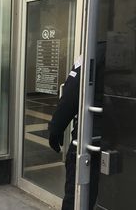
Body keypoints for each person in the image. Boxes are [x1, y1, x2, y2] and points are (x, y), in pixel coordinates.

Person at [48, 55, 101, 210]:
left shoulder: (90, 52)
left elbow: (70, 94)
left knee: (76, 196)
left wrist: (55, 129)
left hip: (88, 139)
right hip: (117, 141)